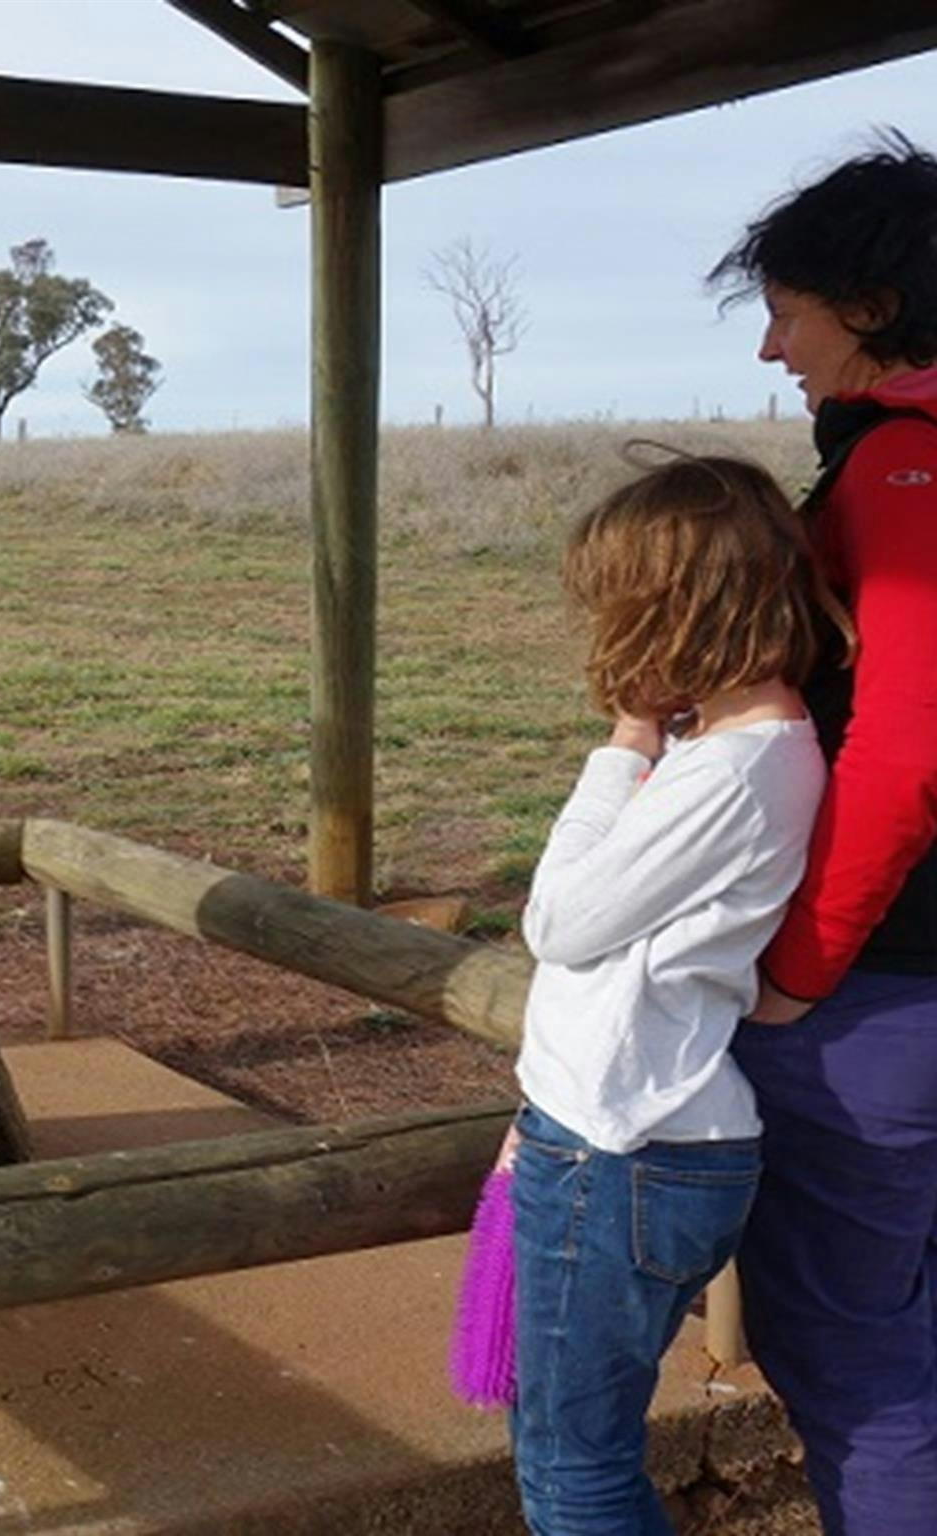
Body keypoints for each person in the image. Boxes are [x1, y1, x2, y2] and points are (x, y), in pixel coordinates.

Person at [509, 454, 841, 1534]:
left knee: (572, 1472)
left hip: (619, 1153)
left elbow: (559, 923)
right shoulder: (738, 747)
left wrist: (620, 745)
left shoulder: (730, 768)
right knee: (571, 1451)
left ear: (671, 604)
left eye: (616, 598)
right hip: (620, 1141)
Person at [711, 136, 937, 1536]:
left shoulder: (903, 468)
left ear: (866, 308)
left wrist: (798, 967)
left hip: (888, 996)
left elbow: (908, 751)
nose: (771, 349)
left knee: (856, 1357)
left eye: (787, 311)